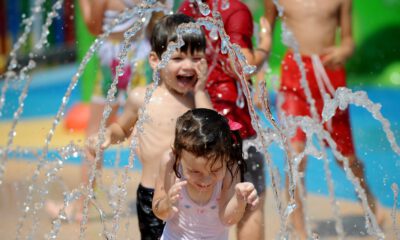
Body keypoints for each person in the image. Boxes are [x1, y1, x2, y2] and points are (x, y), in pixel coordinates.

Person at [263, 0, 382, 238]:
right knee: (295, 156)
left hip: (330, 75)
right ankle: (301, 230)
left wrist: (345, 50)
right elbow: (266, 34)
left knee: (346, 158)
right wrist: (259, 78)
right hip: (295, 74)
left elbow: (348, 40)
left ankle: (367, 195)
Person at [88, 13, 212, 239]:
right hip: (152, 194)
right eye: (178, 58)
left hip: (189, 197)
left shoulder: (198, 100)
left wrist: (201, 91)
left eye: (197, 59)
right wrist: (107, 134)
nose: (188, 66)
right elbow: (122, 129)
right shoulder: (141, 98)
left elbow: (213, 134)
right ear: (156, 61)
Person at [45, 0, 164, 222]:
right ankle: (86, 204)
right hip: (123, 56)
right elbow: (95, 27)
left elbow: (95, 26)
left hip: (126, 56)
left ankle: (160, 194)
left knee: (127, 130)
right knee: (110, 132)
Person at [179, 1, 271, 239]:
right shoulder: (235, 10)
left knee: (196, 208)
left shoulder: (189, 8)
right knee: (251, 204)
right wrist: (266, 46)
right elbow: (242, 65)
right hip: (236, 126)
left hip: (197, 127)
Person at [152, 108, 259, 240]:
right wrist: (167, 203)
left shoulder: (231, 169)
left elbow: (228, 220)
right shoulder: (170, 163)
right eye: (195, 171)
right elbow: (159, 212)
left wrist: (239, 200)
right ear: (179, 156)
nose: (206, 180)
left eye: (215, 170)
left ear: (226, 158)